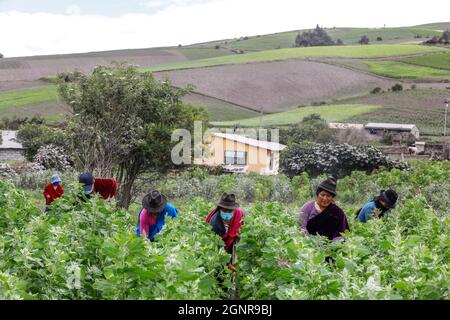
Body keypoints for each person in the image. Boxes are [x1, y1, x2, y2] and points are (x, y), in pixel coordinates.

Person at [298, 177, 349, 242]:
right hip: (309, 244)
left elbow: (342, 233)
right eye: (322, 195)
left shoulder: (338, 212)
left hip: (331, 247)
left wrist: (333, 245)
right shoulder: (307, 207)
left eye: (328, 196)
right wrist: (309, 242)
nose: (325, 198)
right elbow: (301, 227)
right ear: (317, 194)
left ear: (332, 197)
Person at [206, 193, 244, 272]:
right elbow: (218, 246)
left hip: (231, 242)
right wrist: (227, 264)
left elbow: (242, 225)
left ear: (234, 209)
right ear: (219, 208)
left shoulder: (238, 213)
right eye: (224, 210)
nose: (227, 212)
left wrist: (239, 235)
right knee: (220, 270)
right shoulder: (214, 223)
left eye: (230, 210)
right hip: (220, 247)